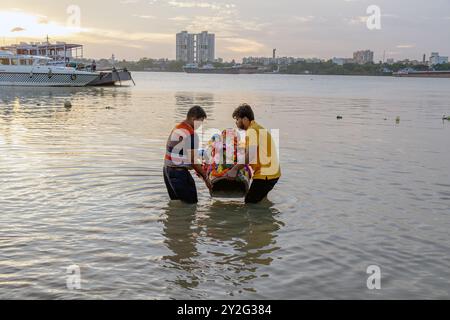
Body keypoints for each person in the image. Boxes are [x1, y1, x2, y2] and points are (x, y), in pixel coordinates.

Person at [226, 104, 281, 203]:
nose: (236, 122)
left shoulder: (252, 131)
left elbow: (250, 155)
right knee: (261, 200)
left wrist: (234, 169)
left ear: (245, 119)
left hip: (265, 175)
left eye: (237, 119)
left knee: (250, 204)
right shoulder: (257, 127)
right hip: (273, 173)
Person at [163, 106, 212, 204]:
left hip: (167, 170)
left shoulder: (178, 127)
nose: (201, 125)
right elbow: (193, 161)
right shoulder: (191, 134)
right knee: (191, 204)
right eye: (200, 121)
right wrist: (206, 177)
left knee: (177, 203)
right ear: (193, 119)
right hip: (178, 173)